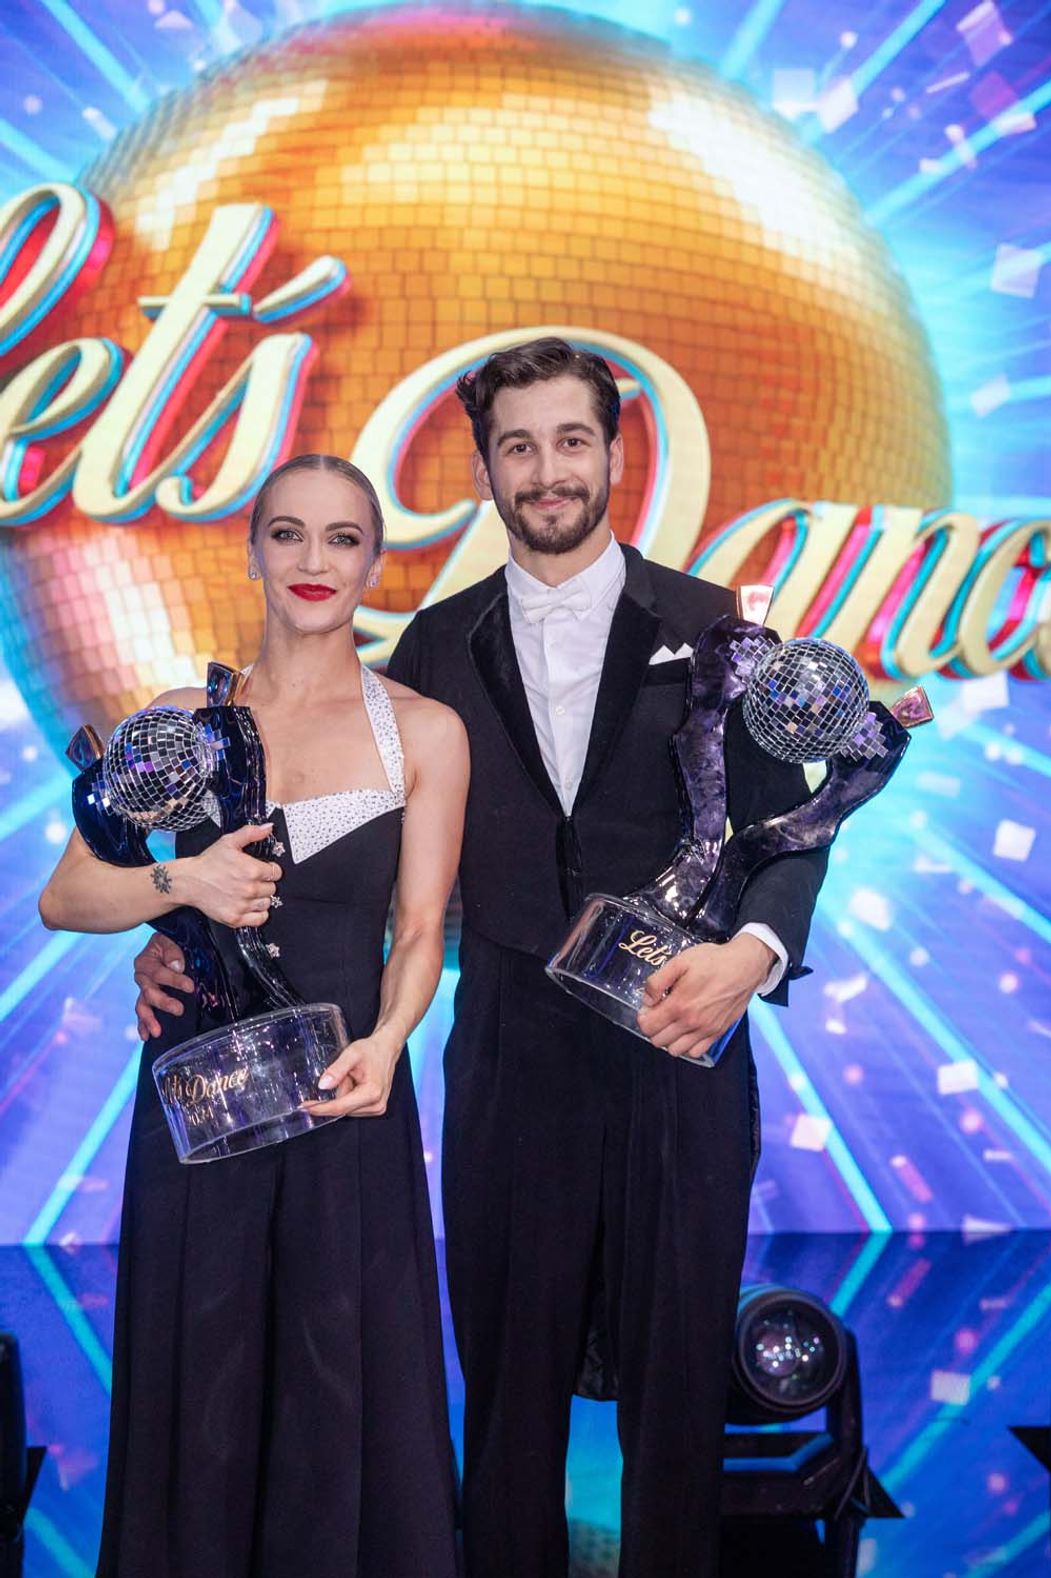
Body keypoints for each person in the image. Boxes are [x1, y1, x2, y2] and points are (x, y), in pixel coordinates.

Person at [133, 340, 828, 1578]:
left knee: (679, 1395)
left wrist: (755, 953)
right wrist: (173, 933)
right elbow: (326, 847)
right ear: (483, 471)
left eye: (569, 441)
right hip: (508, 1056)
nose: (546, 470)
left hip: (678, 1041)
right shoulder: (433, 649)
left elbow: (788, 826)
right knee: (506, 1396)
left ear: (613, 453)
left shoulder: (715, 626)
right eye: (517, 446)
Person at [40, 454, 468, 1578]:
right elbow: (67, 894)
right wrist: (179, 884)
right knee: (206, 1372)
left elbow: (421, 930)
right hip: (200, 1096)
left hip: (345, 1093)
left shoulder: (425, 731)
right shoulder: (182, 720)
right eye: (288, 534)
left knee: (341, 1373)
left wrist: (389, 1043)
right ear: (251, 552)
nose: (313, 560)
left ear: (374, 561)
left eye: (341, 538)